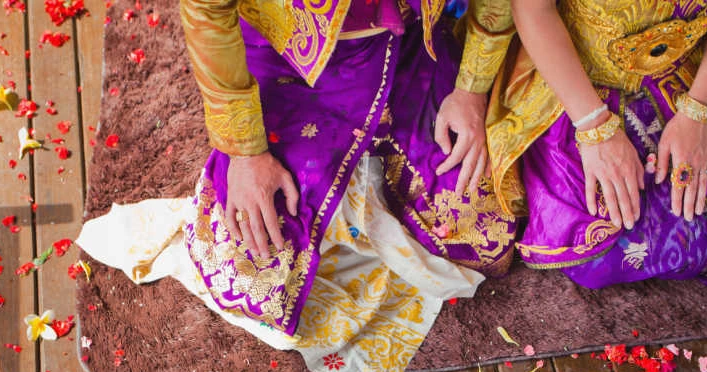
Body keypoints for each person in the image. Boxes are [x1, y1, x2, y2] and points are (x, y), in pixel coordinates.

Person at [178, 0, 519, 335]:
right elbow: (205, 8)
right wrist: (245, 152)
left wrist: (471, 89)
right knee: (254, 275)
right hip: (288, 61)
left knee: (483, 238)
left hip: (408, 49)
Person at [482, 0, 707, 289]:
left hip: (689, 80)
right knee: (594, 250)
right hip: (577, 83)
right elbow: (531, 8)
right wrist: (595, 128)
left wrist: (697, 112)